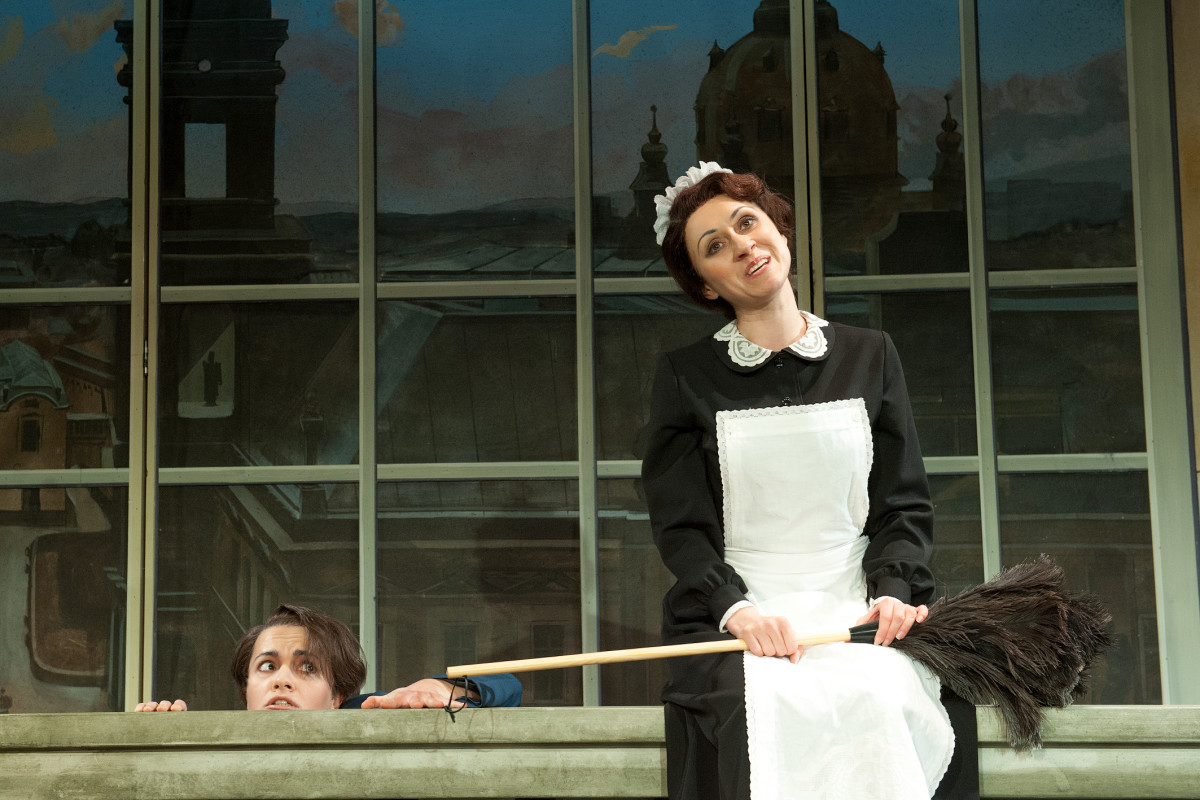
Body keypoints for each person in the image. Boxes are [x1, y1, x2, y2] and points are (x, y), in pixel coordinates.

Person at [641, 162, 977, 799]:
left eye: (748, 223)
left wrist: (894, 590)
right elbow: (679, 525)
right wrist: (736, 611)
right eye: (715, 246)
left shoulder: (871, 354)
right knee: (764, 712)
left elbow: (902, 503)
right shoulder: (686, 377)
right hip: (740, 615)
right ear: (706, 285)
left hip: (858, 608)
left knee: (883, 693)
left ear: (780, 232)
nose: (742, 245)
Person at [134, 604, 521, 712]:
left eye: (308, 667)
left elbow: (509, 686)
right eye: (267, 666)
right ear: (246, 691)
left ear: (337, 698)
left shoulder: (359, 713)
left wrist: (439, 686)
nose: (282, 680)